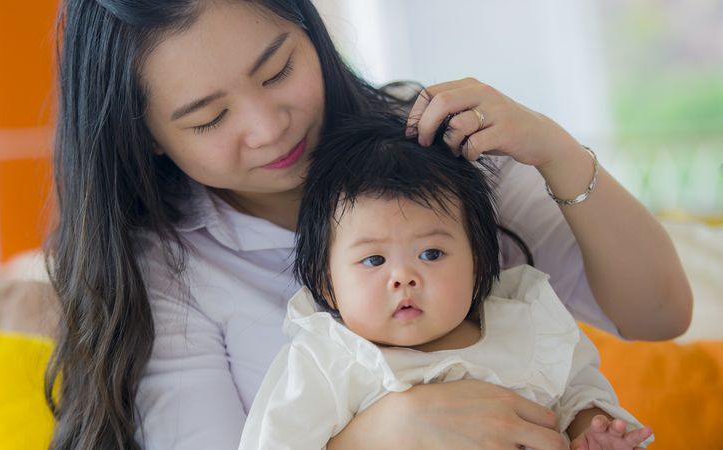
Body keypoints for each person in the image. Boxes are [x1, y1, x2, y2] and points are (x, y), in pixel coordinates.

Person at [46, 1, 692, 449]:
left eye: (277, 71)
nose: (269, 128)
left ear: (312, 31)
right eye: (209, 119)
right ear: (147, 137)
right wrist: (376, 438)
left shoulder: (430, 144)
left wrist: (557, 151)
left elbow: (660, 314)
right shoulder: (168, 271)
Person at [239, 112, 654, 450]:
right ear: (325, 283)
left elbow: (581, 394)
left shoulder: (527, 322)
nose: (403, 277)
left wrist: (592, 430)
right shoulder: (330, 361)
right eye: (373, 259)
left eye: (431, 254)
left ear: (478, 260)